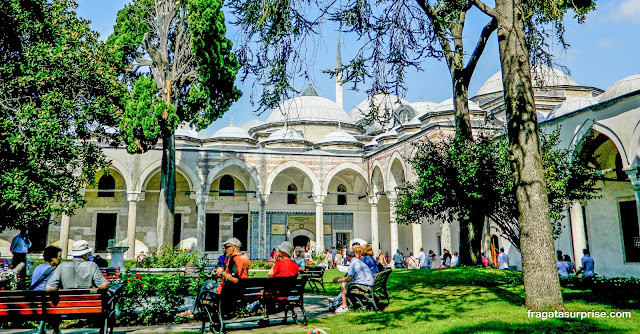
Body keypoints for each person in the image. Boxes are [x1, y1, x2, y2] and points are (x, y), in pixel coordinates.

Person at [177, 237, 249, 319]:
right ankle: (194, 311)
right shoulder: (244, 257)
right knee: (208, 284)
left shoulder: (234, 259)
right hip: (238, 290)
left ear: (233, 247)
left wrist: (221, 272)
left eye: (226, 247)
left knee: (205, 290)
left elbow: (235, 279)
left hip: (229, 293)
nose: (225, 249)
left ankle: (194, 312)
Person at [329, 248, 374, 314]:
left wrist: (338, 279)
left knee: (344, 284)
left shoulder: (353, 263)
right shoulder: (358, 261)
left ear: (347, 256)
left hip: (364, 286)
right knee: (347, 283)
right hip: (369, 284)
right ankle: (336, 301)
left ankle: (344, 306)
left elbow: (349, 278)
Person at [31, 246, 62, 334]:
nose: (61, 258)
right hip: (46, 301)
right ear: (53, 258)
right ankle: (56, 329)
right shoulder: (53, 271)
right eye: (59, 256)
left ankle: (53, 329)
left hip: (35, 299)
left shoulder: (38, 267)